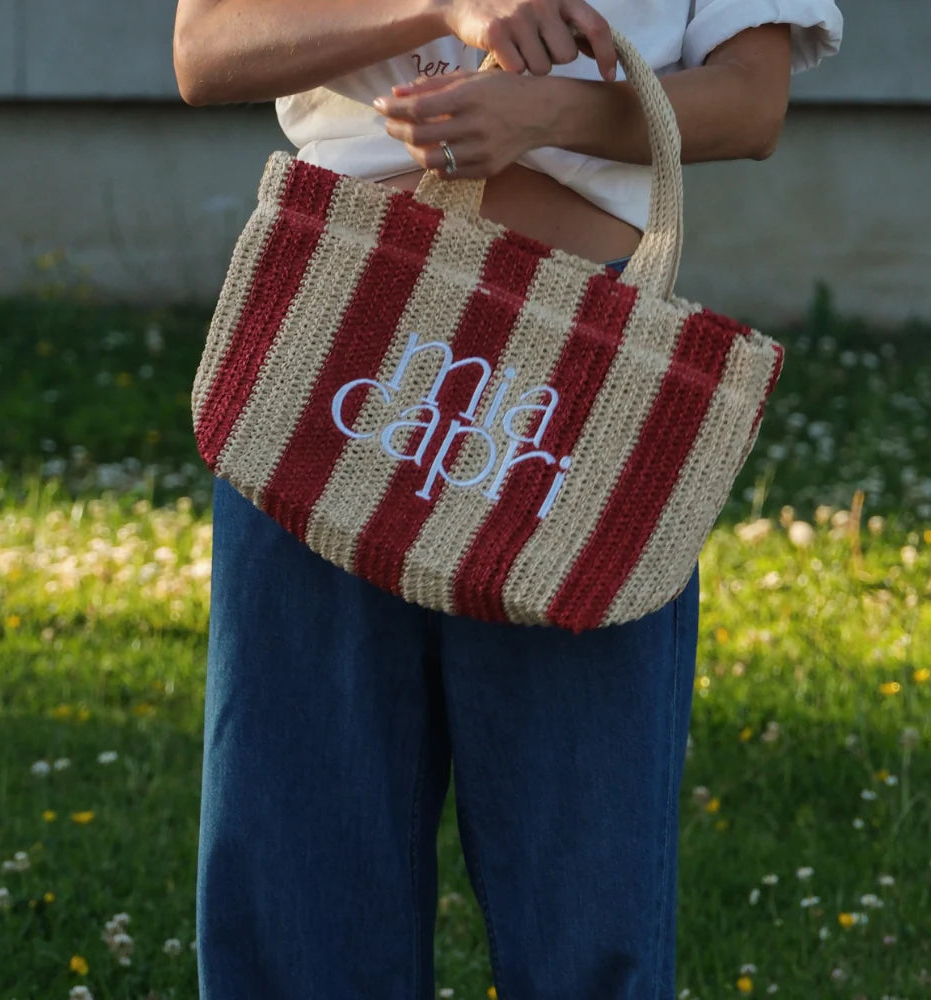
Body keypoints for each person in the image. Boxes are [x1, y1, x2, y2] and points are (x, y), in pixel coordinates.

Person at [173, 2, 842, 996]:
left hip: (576, 359)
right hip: (338, 319)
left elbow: (749, 103)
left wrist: (547, 116)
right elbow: (208, 46)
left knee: (581, 868)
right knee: (296, 849)